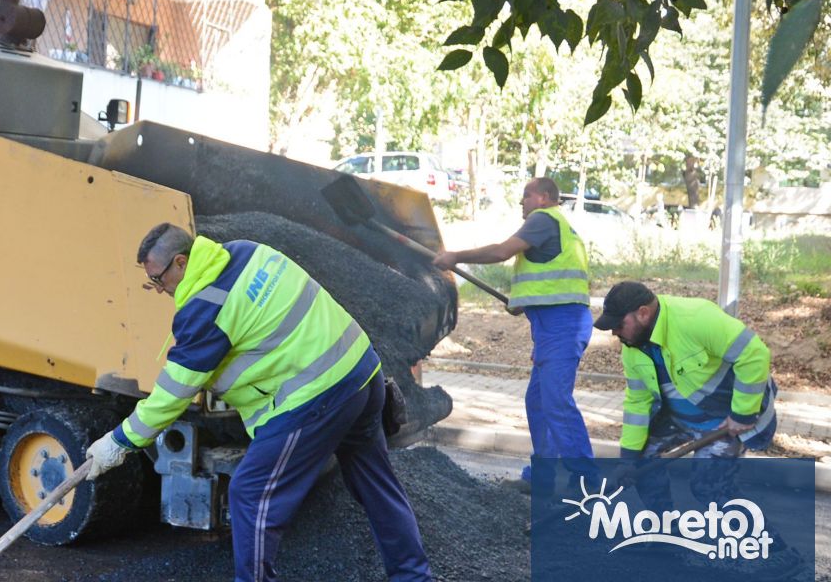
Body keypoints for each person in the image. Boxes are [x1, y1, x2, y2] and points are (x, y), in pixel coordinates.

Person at [86, 223, 434, 582]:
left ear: (181, 262)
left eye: (158, 280)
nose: (160, 289)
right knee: (376, 485)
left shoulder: (205, 307)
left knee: (251, 494)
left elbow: (172, 396)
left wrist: (118, 442)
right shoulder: (247, 250)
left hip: (317, 396)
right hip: (361, 370)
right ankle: (413, 576)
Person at [432, 177, 594, 488]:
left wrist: (455, 256)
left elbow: (501, 252)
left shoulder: (543, 219)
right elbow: (550, 283)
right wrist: (524, 303)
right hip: (551, 326)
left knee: (556, 403)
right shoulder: (559, 226)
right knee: (538, 402)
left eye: (527, 195)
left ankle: (587, 481)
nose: (522, 201)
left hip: (562, 326)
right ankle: (541, 478)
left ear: (544, 197)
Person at [595, 281, 777, 493]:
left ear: (643, 313)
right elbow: (638, 402)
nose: (614, 332)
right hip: (678, 420)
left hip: (723, 422)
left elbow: (754, 355)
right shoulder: (632, 347)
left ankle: (747, 517)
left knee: (708, 489)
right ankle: (662, 516)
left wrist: (743, 414)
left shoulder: (696, 318)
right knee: (641, 466)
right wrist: (627, 460)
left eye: (619, 325)